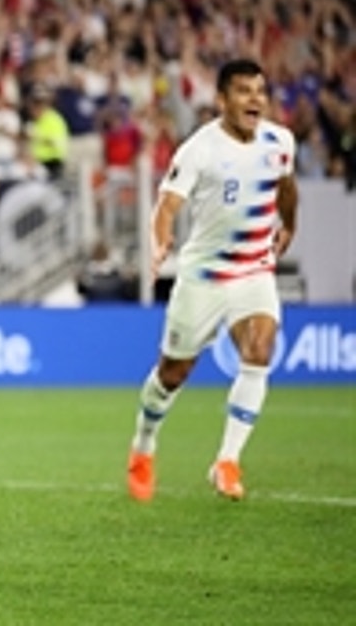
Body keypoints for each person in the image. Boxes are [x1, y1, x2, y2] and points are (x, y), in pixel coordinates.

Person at [126, 59, 298, 503]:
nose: (255, 99)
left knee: (260, 350)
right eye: (243, 91)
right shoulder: (199, 149)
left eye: (260, 90)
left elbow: (286, 185)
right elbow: (166, 206)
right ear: (221, 100)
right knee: (174, 372)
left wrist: (289, 224)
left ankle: (227, 461)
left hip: (255, 270)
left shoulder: (280, 141)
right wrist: (160, 244)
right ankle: (144, 445)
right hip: (203, 276)